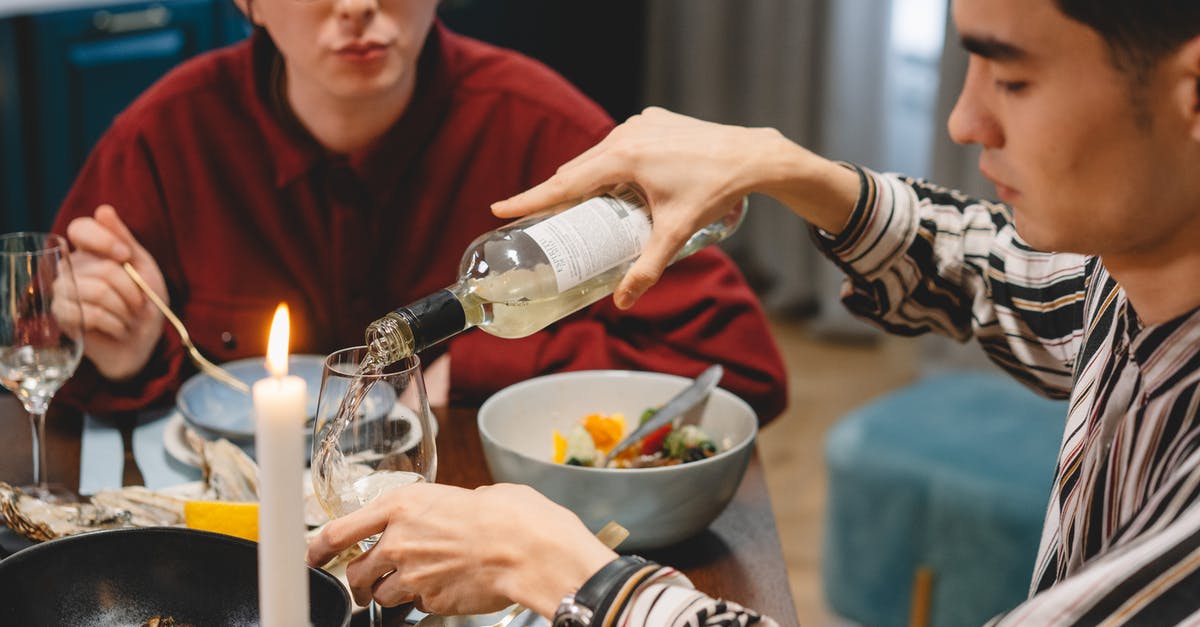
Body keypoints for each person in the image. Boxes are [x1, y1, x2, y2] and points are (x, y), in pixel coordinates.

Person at [309, 0, 1200, 624]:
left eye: (1012, 81)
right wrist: (785, 168)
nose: (964, 122)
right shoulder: (1130, 285)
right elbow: (992, 272)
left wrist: (557, 566)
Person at [48, 0, 787, 420]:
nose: (360, 7)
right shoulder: (167, 136)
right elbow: (41, 368)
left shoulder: (544, 130)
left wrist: (479, 366)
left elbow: (745, 372)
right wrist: (125, 354)